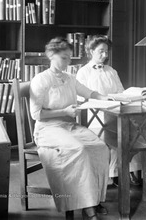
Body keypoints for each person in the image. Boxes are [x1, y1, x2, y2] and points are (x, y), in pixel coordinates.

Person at [30, 37, 109, 220]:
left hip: (69, 126)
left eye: (69, 58)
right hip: (47, 129)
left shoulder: (70, 78)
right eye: (64, 58)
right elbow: (36, 114)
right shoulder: (41, 80)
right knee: (79, 149)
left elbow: (90, 93)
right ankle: (87, 206)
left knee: (100, 147)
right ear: (51, 55)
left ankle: (94, 200)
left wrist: (109, 98)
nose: (68, 62)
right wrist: (64, 110)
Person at [76, 35, 142, 186]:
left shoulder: (111, 71)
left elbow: (121, 92)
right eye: (101, 51)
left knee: (135, 132)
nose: (105, 55)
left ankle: (128, 170)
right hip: (94, 117)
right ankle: (115, 174)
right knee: (114, 135)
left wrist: (124, 98)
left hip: (116, 113)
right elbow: (81, 99)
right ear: (91, 51)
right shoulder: (83, 72)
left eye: (107, 51)